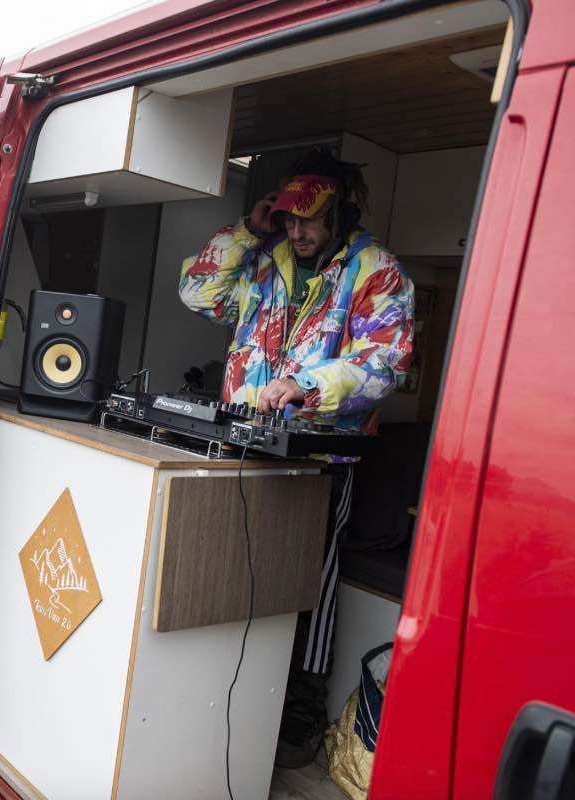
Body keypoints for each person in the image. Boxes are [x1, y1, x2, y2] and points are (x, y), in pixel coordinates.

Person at [178, 149, 415, 767]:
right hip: (241, 444)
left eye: (311, 220)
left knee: (312, 578)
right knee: (233, 569)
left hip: (323, 458)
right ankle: (227, 687)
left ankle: (301, 706)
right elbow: (196, 292)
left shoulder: (375, 270)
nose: (299, 232)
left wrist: (309, 387)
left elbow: (386, 363)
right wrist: (246, 231)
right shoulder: (262, 258)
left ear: (345, 211)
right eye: (289, 220)